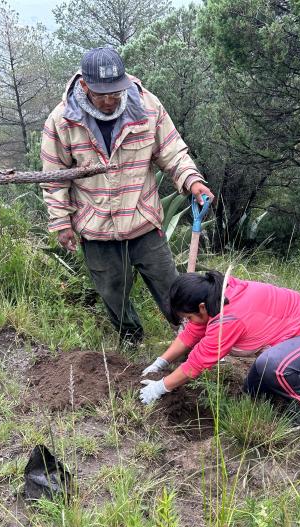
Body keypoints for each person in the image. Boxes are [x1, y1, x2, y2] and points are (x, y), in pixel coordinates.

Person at [40, 46, 213, 346]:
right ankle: (132, 340)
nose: (109, 100)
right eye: (100, 93)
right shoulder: (62, 122)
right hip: (96, 228)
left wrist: (192, 181)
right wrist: (61, 223)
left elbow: (173, 152)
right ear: (84, 85)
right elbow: (54, 179)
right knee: (112, 292)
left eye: (115, 92)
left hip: (143, 220)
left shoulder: (147, 107)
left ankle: (190, 341)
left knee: (170, 287)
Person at [138, 271, 300, 430]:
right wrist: (160, 362)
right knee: (251, 392)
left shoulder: (229, 317)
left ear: (201, 307)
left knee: (271, 365)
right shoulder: (216, 295)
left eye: (188, 316)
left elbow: (198, 362)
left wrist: (161, 387)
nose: (188, 322)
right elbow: (192, 332)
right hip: (299, 336)